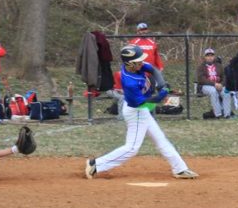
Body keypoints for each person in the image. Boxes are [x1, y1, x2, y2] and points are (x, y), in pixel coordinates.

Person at [84, 45, 198, 180]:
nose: (141, 63)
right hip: (136, 111)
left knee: (161, 140)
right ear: (129, 64)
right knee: (132, 148)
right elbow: (148, 102)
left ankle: (180, 169)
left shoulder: (136, 66)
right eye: (138, 61)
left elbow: (154, 69)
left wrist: (162, 84)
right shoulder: (130, 82)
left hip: (141, 109)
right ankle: (95, 164)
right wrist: (163, 93)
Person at [196, 48, 232, 118]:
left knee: (226, 92)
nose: (210, 57)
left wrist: (222, 84)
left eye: (211, 55)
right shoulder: (201, 67)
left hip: (219, 85)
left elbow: (224, 76)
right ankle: (218, 114)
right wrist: (214, 84)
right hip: (206, 86)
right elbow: (201, 79)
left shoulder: (219, 65)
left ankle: (227, 115)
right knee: (213, 91)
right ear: (205, 57)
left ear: (214, 56)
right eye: (208, 55)